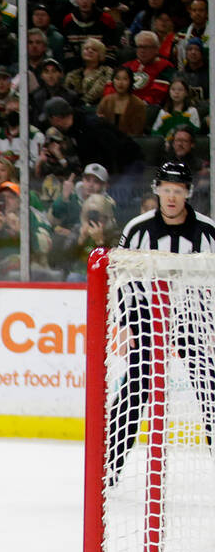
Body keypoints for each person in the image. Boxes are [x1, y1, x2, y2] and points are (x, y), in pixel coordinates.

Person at [108, 161, 215, 482]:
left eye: (177, 191)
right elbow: (123, 279)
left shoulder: (208, 232)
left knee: (209, 388)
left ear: (188, 194)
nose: (171, 197)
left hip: (191, 316)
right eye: (166, 190)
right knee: (135, 389)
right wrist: (126, 323)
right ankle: (110, 467)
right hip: (146, 317)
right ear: (157, 191)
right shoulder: (137, 229)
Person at [95, 66, 149, 136]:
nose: (120, 83)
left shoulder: (138, 104)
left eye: (125, 79)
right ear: (113, 80)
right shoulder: (106, 100)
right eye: (117, 79)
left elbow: (137, 132)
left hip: (129, 142)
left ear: (130, 81)